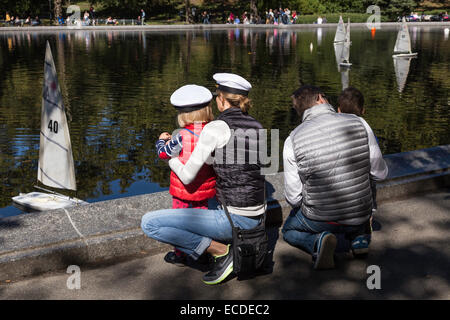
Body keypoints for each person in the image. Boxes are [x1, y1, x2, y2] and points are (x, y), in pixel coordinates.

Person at [141, 73, 266, 285]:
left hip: (233, 218)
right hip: (258, 216)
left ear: (222, 100)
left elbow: (188, 176)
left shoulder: (215, 128)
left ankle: (221, 251)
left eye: (217, 95)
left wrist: (169, 159)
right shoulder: (257, 126)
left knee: (149, 224)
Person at [281, 85, 388, 270]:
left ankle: (317, 242)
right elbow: (380, 173)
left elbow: (293, 197)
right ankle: (359, 238)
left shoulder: (292, 140)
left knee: (289, 229)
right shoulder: (359, 122)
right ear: (321, 98)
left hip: (321, 219)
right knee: (360, 200)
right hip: (360, 214)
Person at [155, 85, 217, 265]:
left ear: (183, 114)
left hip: (184, 190)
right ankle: (205, 252)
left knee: (180, 223)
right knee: (203, 222)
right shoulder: (212, 132)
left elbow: (164, 154)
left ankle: (181, 255)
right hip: (206, 189)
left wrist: (161, 141)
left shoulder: (182, 136)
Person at [337, 87, 380, 214]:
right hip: (364, 194)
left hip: (338, 192)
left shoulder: (332, 130)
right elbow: (376, 168)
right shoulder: (368, 132)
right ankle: (368, 218)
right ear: (363, 110)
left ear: (338, 110)